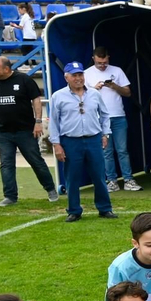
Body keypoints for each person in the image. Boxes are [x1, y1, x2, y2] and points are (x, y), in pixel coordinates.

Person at [0, 56, 57, 207]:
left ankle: (50, 189)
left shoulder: (24, 80)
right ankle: (10, 196)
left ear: (6, 69)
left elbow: (36, 99)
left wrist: (38, 122)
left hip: (25, 131)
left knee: (36, 161)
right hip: (3, 132)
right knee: (6, 164)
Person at [49, 61, 116, 222]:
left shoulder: (94, 94)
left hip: (93, 138)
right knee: (72, 177)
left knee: (99, 175)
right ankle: (74, 210)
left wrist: (105, 133)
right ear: (67, 77)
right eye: (74, 75)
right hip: (70, 141)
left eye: (80, 75)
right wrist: (56, 144)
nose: (78, 78)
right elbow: (54, 122)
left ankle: (105, 208)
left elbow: (105, 114)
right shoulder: (58, 96)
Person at [83, 46, 137, 192]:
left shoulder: (117, 70)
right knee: (107, 151)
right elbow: (81, 97)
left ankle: (128, 179)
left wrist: (114, 86)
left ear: (108, 58)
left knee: (122, 150)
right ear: (93, 58)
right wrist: (94, 89)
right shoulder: (86, 74)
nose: (102, 65)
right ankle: (111, 181)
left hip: (118, 115)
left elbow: (127, 92)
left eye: (104, 62)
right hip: (99, 118)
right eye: (99, 63)